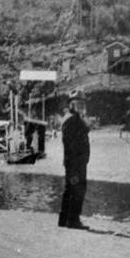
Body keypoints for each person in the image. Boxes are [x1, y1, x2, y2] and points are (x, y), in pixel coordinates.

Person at [58, 90, 90, 229]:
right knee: (77, 190)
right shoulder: (71, 119)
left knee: (70, 190)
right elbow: (70, 144)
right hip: (75, 163)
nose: (81, 106)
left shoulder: (74, 118)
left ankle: (64, 219)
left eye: (82, 104)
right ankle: (73, 220)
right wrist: (74, 164)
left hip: (76, 162)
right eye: (77, 104)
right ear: (71, 105)